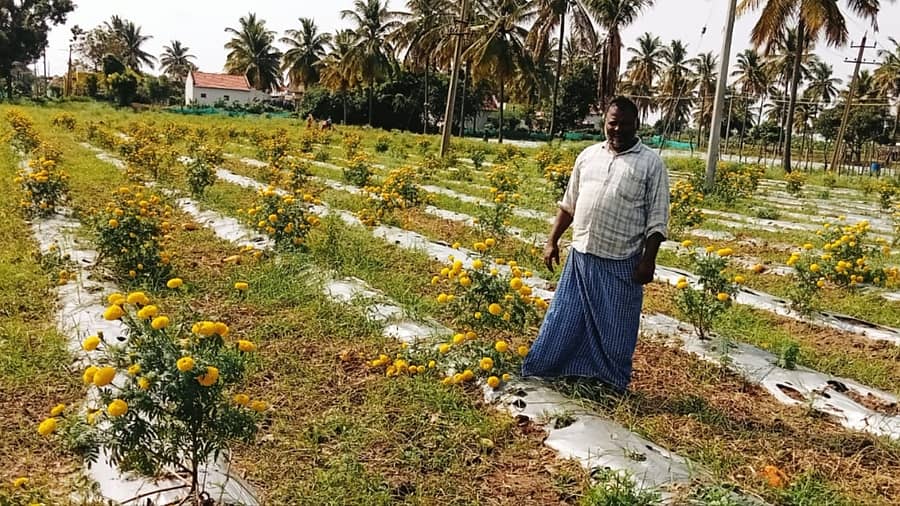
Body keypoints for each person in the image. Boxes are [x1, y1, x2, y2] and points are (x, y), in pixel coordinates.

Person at [521, 96, 670, 393]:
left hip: (621, 261)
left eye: (625, 124)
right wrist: (552, 240)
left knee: (614, 328)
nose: (618, 130)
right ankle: (550, 368)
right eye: (612, 123)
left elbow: (657, 219)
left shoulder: (651, 164)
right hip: (581, 256)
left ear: (637, 125)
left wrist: (648, 259)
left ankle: (608, 382)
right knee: (564, 319)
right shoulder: (588, 155)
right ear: (605, 122)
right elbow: (569, 204)